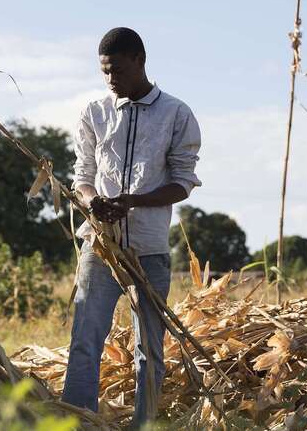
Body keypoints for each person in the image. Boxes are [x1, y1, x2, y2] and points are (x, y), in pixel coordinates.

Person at [61, 27, 202, 428]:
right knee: (85, 342)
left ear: (140, 61)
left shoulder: (176, 113)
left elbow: (183, 182)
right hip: (100, 247)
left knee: (150, 351)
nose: (111, 79)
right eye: (105, 72)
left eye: (118, 70)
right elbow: (82, 175)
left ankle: (144, 425)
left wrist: (133, 202)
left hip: (150, 250)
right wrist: (93, 202)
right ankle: (78, 422)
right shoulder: (94, 112)